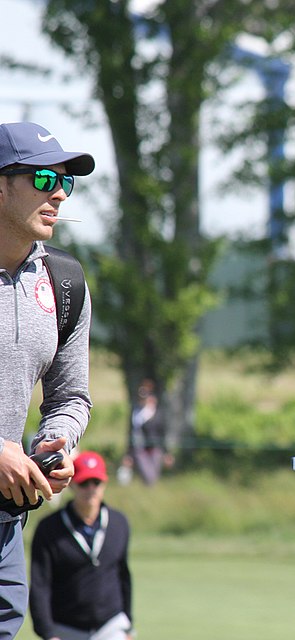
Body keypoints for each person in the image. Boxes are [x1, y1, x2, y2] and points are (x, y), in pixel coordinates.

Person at [0, 121, 94, 638]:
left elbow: (72, 395)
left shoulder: (65, 281)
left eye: (64, 180)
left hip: (6, 528)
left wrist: (55, 442)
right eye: (41, 177)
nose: (58, 191)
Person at [29, 451, 134, 640]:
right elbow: (40, 584)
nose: (91, 489)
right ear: (72, 485)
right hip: (65, 628)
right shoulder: (49, 528)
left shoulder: (119, 523)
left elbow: (123, 576)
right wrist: (47, 632)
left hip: (111, 624)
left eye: (96, 482)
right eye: (84, 483)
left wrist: (128, 625)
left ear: (104, 484)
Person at [120, 379, 171, 486]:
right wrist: (128, 454)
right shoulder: (135, 412)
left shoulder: (156, 413)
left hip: (154, 449)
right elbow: (131, 433)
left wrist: (166, 452)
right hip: (139, 449)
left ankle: (151, 496)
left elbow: (162, 433)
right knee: (148, 476)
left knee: (153, 477)